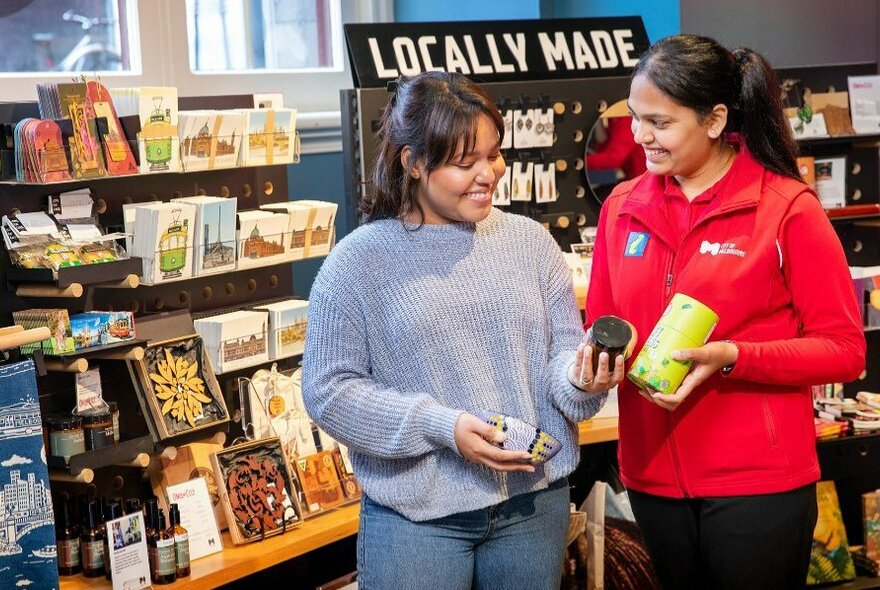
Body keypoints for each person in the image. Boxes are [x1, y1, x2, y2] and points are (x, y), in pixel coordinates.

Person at [302, 71, 621, 590]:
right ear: (413, 162)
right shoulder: (357, 263)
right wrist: (442, 426)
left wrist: (584, 378)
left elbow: (560, 365)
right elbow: (328, 392)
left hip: (532, 504)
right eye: (463, 161)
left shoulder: (530, 242)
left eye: (493, 154)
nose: (488, 174)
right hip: (418, 518)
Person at [585, 34, 867, 590]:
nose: (640, 137)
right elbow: (601, 323)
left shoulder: (786, 208)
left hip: (758, 484)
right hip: (651, 479)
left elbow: (844, 350)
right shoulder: (623, 207)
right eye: (636, 118)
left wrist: (734, 356)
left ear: (715, 120)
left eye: (660, 123)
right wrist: (593, 361)